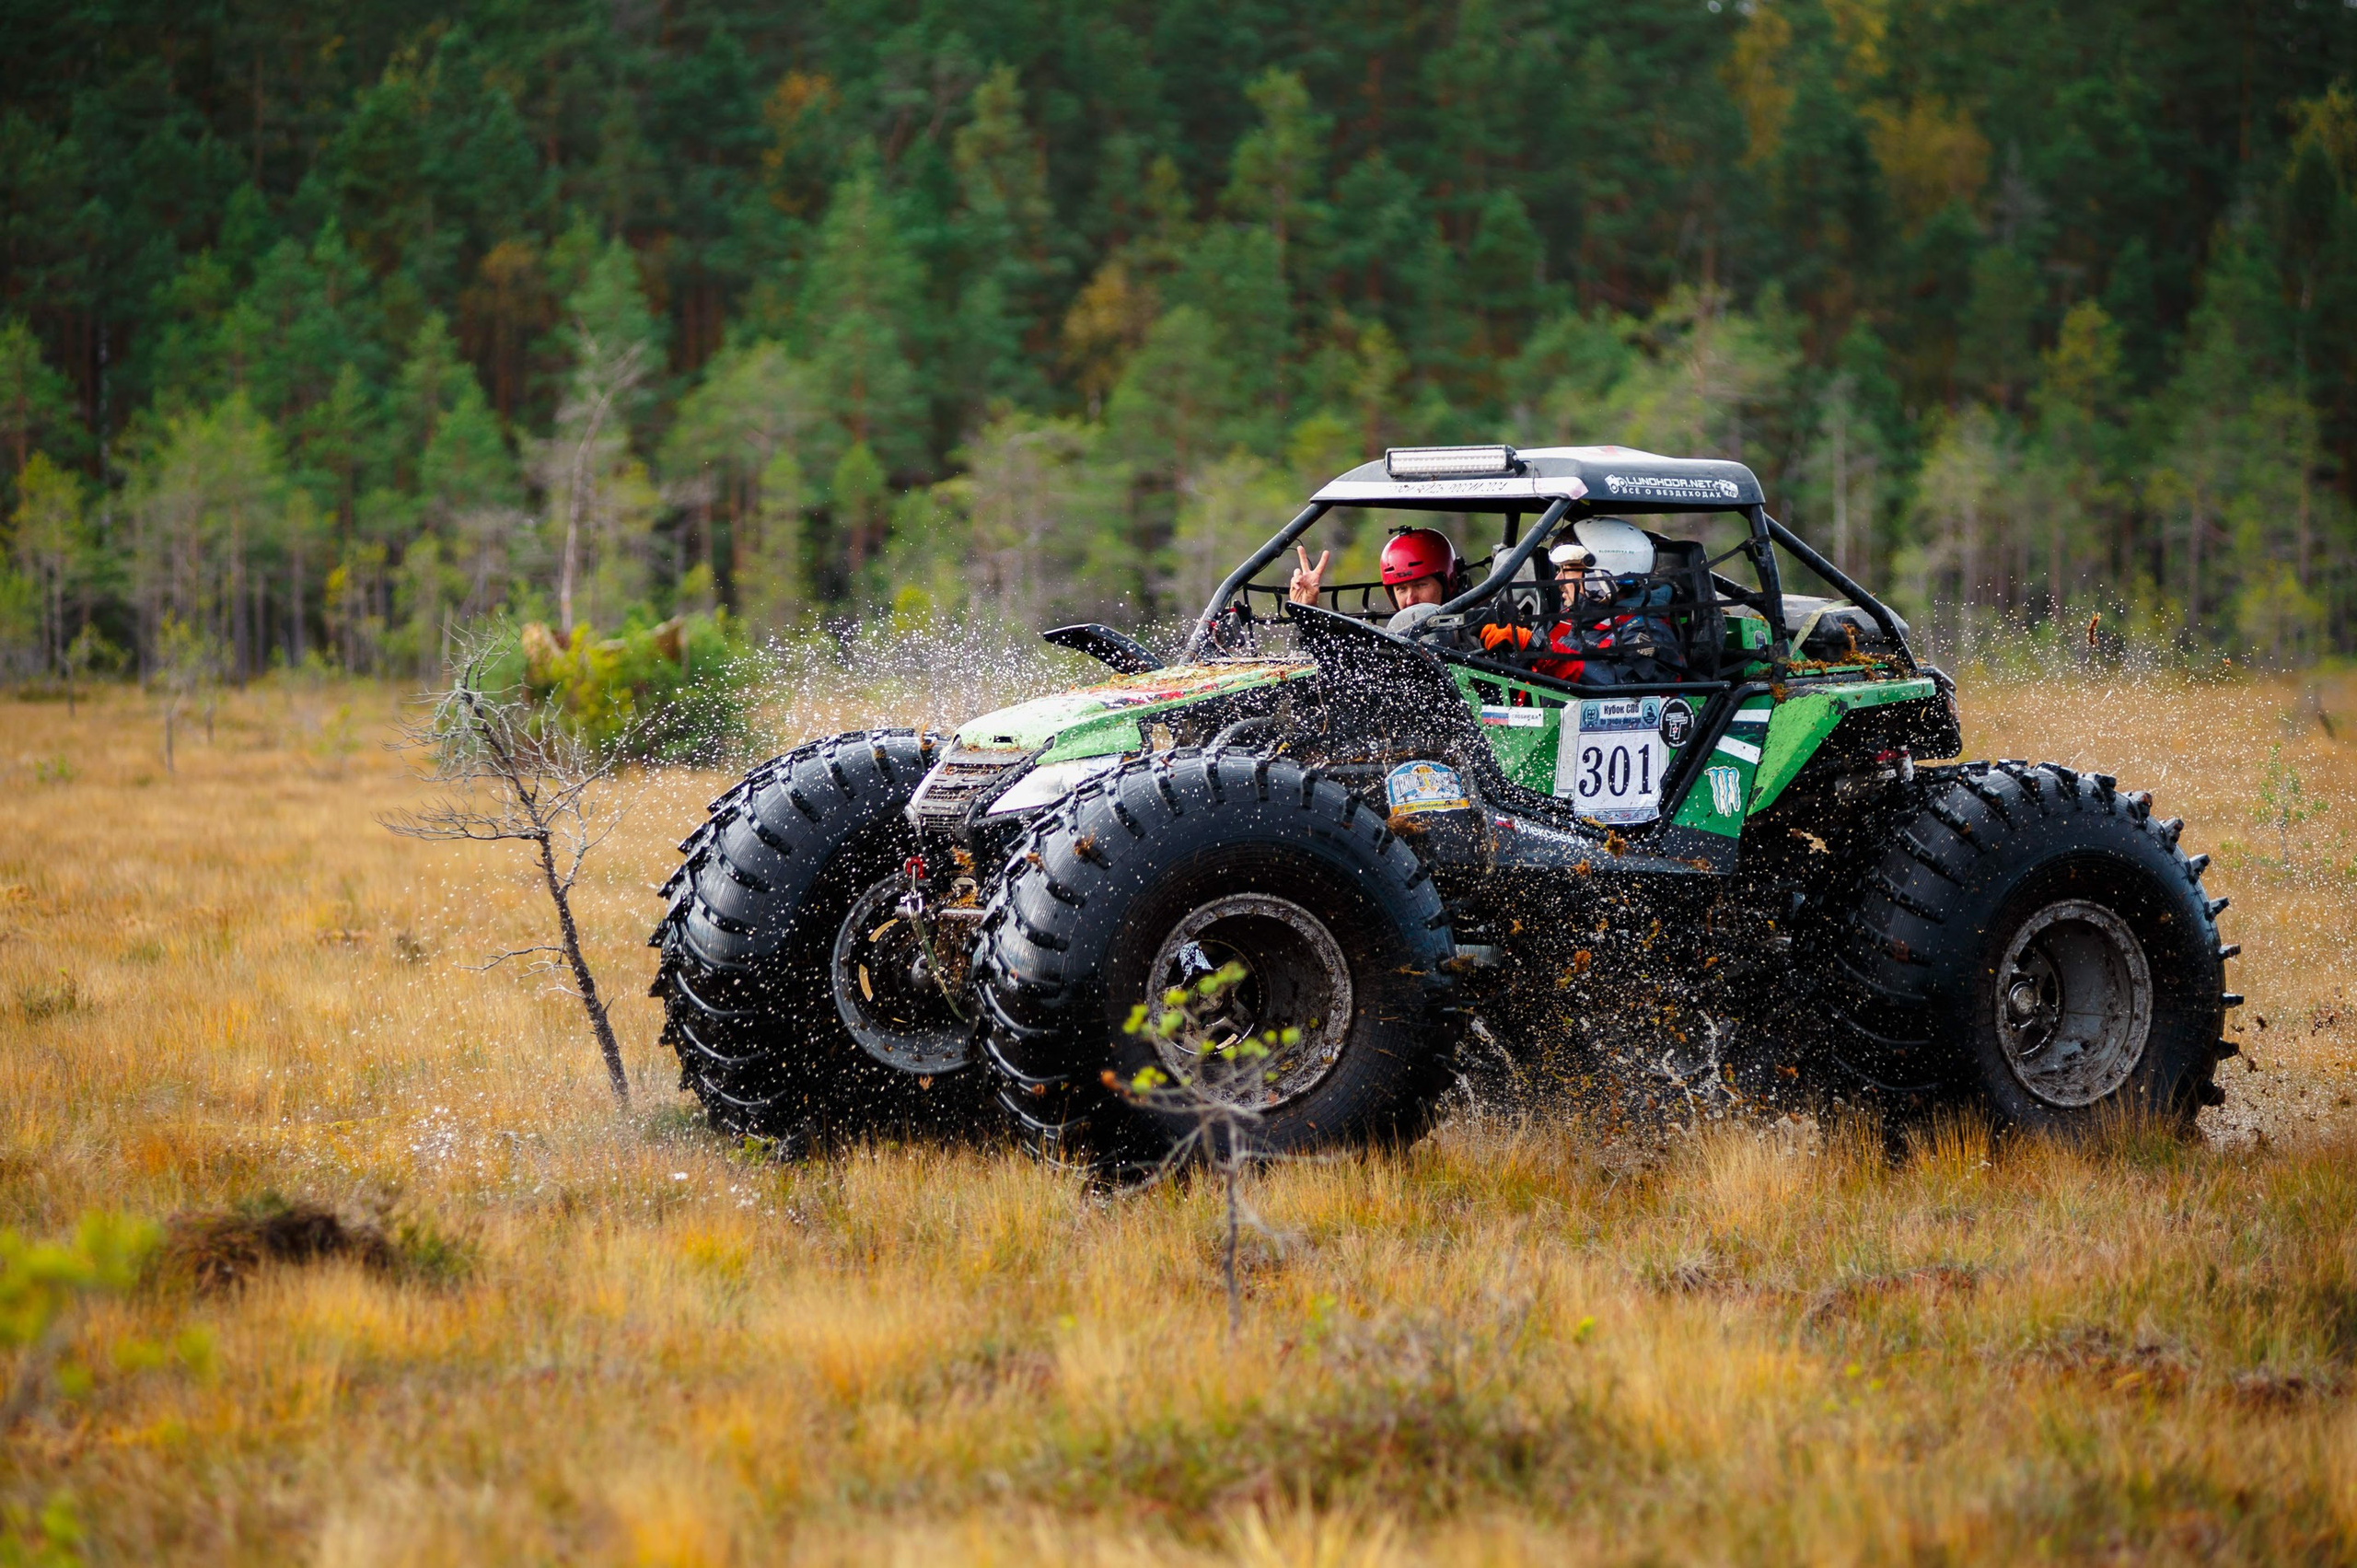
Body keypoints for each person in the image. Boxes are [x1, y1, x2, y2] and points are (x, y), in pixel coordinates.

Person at [1288, 528, 1462, 634]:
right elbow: (1333, 659)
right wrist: (1307, 611)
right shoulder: (1391, 641)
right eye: (1401, 589)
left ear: (1449, 582)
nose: (1410, 600)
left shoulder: (1479, 628)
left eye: (1420, 585)